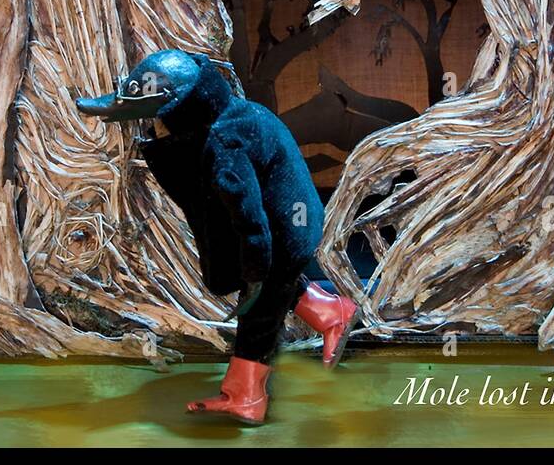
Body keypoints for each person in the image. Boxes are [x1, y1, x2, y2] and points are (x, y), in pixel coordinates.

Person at [76, 49, 359, 424]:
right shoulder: (234, 113)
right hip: (296, 215)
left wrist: (255, 276)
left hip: (283, 231)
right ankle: (330, 310)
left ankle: (245, 396)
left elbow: (250, 219)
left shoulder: (224, 147)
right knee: (271, 288)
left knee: (259, 312)